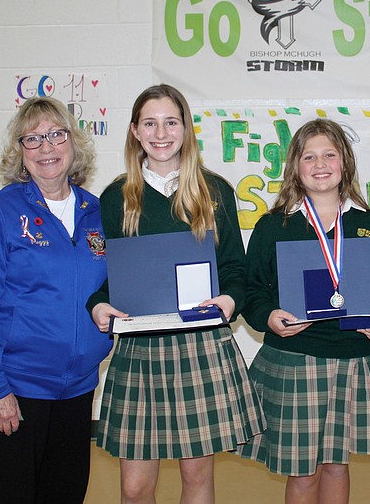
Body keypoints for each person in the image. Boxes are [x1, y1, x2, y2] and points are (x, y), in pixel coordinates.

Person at [86, 84, 264, 504]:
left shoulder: (214, 190)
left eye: (170, 122)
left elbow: (235, 268)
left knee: (196, 478)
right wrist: (98, 305)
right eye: (150, 122)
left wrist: (229, 301)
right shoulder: (115, 198)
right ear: (134, 130)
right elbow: (107, 279)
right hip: (140, 349)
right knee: (133, 488)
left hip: (198, 344)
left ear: (186, 129)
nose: (160, 132)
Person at [236, 118, 370, 504]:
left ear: (345, 162)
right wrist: (267, 318)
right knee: (303, 469)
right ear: (296, 167)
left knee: (336, 465)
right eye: (309, 156)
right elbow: (252, 291)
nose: (320, 164)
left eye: (329, 154)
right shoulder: (274, 226)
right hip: (295, 359)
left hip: (353, 359)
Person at [0, 97, 111, 503]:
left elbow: (112, 290)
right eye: (33, 139)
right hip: (15, 390)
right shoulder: (0, 213)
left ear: (73, 143)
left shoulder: (97, 212)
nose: (47, 148)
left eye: (56, 135)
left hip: (77, 391)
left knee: (66, 494)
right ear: (20, 153)